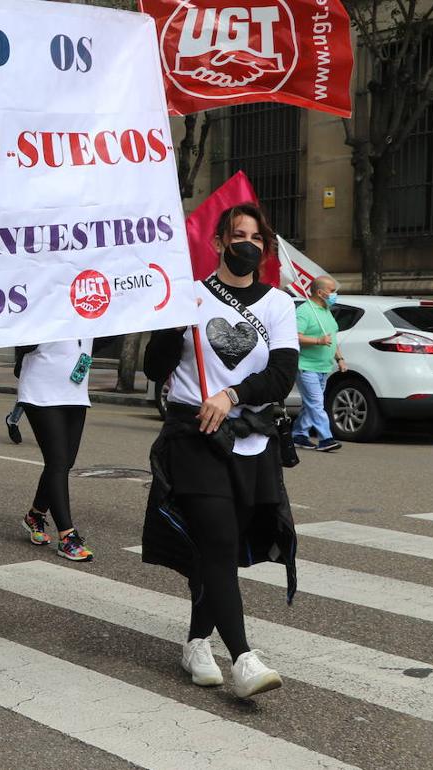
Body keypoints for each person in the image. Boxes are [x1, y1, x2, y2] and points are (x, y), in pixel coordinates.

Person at [141, 203, 299, 699]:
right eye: (237, 235)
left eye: (256, 236)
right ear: (218, 243)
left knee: (223, 547)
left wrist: (230, 394)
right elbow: (153, 367)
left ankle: (195, 641)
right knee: (216, 540)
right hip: (194, 437)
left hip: (250, 439)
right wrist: (170, 321)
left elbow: (282, 374)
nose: (246, 243)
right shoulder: (190, 296)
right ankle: (244, 659)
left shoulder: (277, 304)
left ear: (265, 248)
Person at [14, 339, 95, 560]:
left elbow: (106, 336)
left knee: (65, 462)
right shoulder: (44, 304)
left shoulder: (87, 307)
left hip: (75, 391)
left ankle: (35, 514)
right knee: (57, 462)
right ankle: (67, 537)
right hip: (41, 390)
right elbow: (23, 341)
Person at [293, 276, 345, 452]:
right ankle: (326, 439)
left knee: (312, 403)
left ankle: (299, 434)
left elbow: (332, 338)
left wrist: (340, 359)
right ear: (320, 292)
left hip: (324, 366)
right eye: (332, 291)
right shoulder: (305, 311)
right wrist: (317, 340)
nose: (334, 294)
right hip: (306, 366)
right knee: (316, 403)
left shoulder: (326, 309)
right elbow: (295, 336)